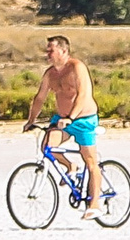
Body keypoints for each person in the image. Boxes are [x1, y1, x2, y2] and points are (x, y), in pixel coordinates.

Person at [26, 33, 103, 219]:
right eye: (47, 51)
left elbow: (83, 94)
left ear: (63, 50)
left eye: (51, 51)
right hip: (62, 119)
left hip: (83, 119)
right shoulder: (50, 74)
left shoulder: (77, 68)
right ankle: (70, 166)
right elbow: (40, 98)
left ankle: (95, 204)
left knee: (91, 161)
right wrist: (31, 120)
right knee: (47, 147)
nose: (48, 54)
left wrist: (71, 117)